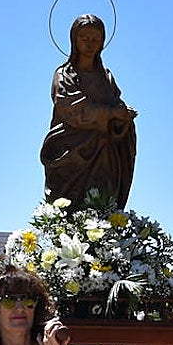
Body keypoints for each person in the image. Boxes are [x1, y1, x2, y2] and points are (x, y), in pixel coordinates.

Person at [40, 13, 138, 210]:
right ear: (74, 40)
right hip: (72, 153)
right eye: (84, 38)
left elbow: (115, 105)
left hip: (104, 154)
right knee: (70, 206)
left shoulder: (106, 77)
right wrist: (110, 113)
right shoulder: (64, 75)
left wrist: (123, 116)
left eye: (96, 39)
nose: (90, 43)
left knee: (102, 203)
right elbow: (72, 109)